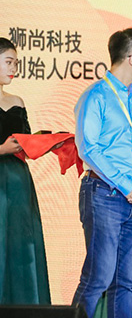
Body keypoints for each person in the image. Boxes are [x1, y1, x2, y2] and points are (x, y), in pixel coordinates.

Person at [73, 28, 132, 318]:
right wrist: (125, 184)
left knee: (127, 281)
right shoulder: (95, 96)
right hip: (104, 193)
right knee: (98, 277)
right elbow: (89, 149)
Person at [0, 37, 51, 305]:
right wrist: (2, 149)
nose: (14, 68)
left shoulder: (17, 100)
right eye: (9, 62)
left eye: (16, 63)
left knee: (21, 245)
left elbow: (26, 141)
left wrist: (44, 143)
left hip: (19, 181)